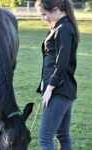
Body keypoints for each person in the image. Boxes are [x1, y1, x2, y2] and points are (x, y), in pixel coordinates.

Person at [35, 0, 80, 149]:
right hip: (62, 91)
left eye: (44, 14)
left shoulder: (63, 29)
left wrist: (49, 89)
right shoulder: (60, 27)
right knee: (62, 136)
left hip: (58, 91)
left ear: (55, 9)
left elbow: (62, 63)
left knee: (44, 138)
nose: (43, 19)